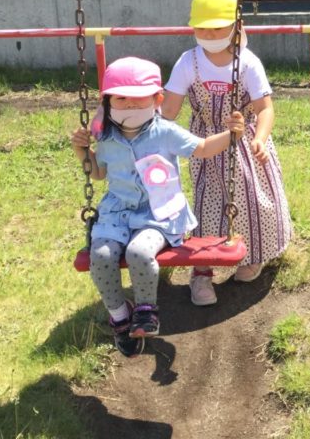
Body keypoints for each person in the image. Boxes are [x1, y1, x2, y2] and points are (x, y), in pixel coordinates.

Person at [71, 56, 243, 358]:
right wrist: (81, 149)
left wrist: (232, 136)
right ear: (107, 102)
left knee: (139, 252)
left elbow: (201, 149)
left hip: (158, 214)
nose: (129, 107)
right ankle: (120, 316)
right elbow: (98, 173)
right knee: (100, 256)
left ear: (157, 99)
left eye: (139, 100)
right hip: (117, 213)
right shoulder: (107, 137)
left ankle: (147, 311)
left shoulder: (164, 131)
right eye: (121, 99)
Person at [163, 0, 292, 307]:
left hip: (245, 144)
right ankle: (202, 272)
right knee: (207, 205)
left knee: (252, 201)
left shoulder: (247, 63)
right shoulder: (187, 62)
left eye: (217, 28)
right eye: (201, 28)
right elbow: (169, 109)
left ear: (235, 25)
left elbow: (265, 108)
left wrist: (260, 138)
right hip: (206, 143)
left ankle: (252, 257)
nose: (209, 34)